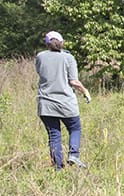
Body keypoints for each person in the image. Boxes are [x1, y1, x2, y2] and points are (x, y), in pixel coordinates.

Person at [35, 31, 91, 170]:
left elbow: (40, 71)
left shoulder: (40, 57)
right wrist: (85, 92)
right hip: (66, 103)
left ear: (47, 43)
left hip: (46, 104)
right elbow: (74, 81)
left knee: (54, 135)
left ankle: (58, 168)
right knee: (75, 128)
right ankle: (73, 155)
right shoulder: (68, 58)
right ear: (62, 42)